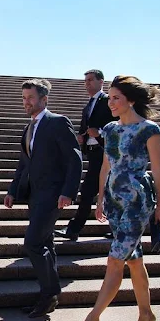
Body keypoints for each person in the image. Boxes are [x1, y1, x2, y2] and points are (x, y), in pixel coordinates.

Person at [73, 75, 160, 321]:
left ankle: (92, 319)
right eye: (110, 97)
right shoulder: (110, 129)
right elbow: (105, 167)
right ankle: (146, 314)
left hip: (138, 200)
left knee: (116, 259)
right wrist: (100, 199)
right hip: (115, 199)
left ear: (131, 100)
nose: (111, 102)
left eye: (116, 98)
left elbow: (158, 171)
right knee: (134, 260)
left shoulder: (149, 130)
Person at [4, 79, 83, 318]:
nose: (26, 102)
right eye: (23, 98)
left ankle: (50, 293)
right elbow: (23, 164)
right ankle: (49, 296)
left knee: (33, 243)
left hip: (52, 196)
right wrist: (12, 190)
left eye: (30, 98)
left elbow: (74, 159)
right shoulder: (28, 128)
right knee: (45, 243)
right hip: (35, 195)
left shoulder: (57, 122)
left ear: (44, 99)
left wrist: (69, 192)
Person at [55, 70, 115, 241]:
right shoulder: (89, 104)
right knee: (105, 191)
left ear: (101, 81)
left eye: (90, 80)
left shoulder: (108, 101)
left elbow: (116, 123)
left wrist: (100, 133)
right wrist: (82, 136)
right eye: (85, 80)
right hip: (94, 153)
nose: (87, 83)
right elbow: (87, 127)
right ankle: (118, 228)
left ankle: (74, 228)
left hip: (106, 153)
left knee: (89, 191)